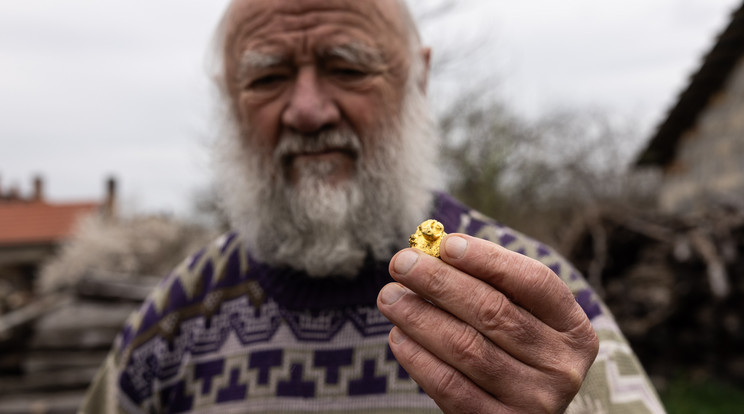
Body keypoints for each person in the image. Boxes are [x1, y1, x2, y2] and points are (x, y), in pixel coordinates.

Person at [80, 0, 666, 413]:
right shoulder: (177, 316)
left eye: (348, 68)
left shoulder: (537, 299)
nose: (307, 110)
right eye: (268, 78)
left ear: (420, 77)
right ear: (227, 97)